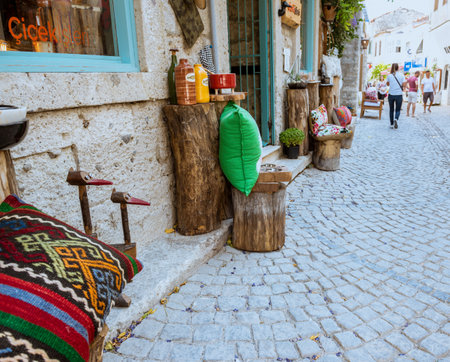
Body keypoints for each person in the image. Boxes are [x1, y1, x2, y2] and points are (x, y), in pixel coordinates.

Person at [386, 63, 407, 129]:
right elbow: (403, 85)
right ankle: (396, 119)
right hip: (399, 94)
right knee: (398, 109)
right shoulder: (401, 75)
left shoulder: (389, 75)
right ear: (398, 68)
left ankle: (391, 124)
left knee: (391, 109)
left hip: (391, 94)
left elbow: (388, 84)